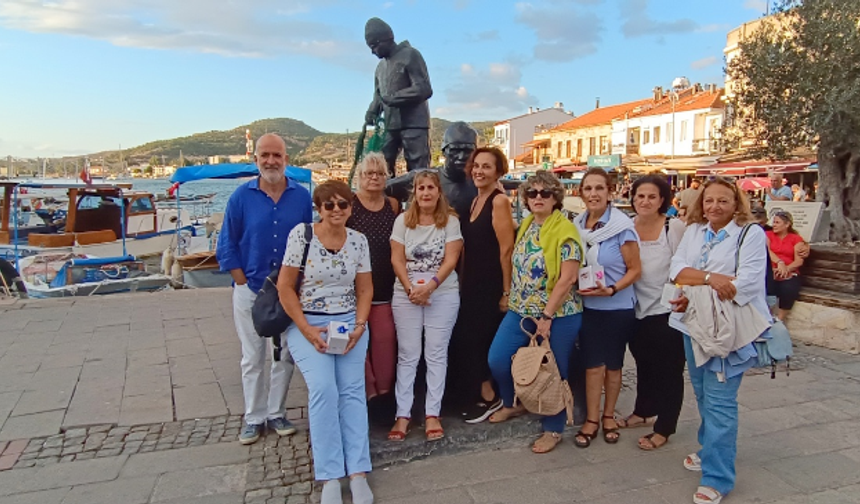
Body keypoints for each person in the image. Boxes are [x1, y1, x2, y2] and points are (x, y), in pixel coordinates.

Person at [669, 177, 771, 504]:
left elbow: (749, 283)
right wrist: (711, 279)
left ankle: (718, 477)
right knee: (701, 392)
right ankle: (708, 446)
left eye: (723, 201)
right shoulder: (695, 230)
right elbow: (677, 271)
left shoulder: (750, 234)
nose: (715, 206)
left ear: (736, 203)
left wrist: (696, 284)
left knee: (720, 401)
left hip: (729, 330)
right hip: (694, 325)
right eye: (709, 200)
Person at [279, 181, 374, 504]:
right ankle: (330, 474)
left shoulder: (358, 241)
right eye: (329, 205)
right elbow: (285, 288)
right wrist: (306, 329)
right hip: (308, 321)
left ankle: (358, 472)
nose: (336, 210)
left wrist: (360, 326)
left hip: (348, 322)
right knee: (323, 389)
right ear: (319, 208)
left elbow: (364, 289)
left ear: (350, 207)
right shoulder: (301, 236)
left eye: (343, 205)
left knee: (351, 391)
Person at [217, 133, 312, 445]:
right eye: (265, 155)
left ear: (286, 158)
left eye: (277, 155)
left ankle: (276, 412)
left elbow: (310, 240)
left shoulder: (300, 197)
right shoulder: (241, 197)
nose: (271, 161)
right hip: (252, 287)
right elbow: (227, 243)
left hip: (288, 290)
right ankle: (253, 417)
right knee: (252, 355)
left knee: (285, 354)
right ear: (256, 159)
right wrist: (241, 280)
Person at [487, 170, 584, 454]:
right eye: (532, 193)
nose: (538, 197)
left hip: (557, 314)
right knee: (498, 359)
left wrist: (547, 316)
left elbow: (567, 278)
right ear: (525, 199)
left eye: (546, 193)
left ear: (556, 197)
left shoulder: (565, 230)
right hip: (520, 310)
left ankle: (553, 428)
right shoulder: (528, 224)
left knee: (553, 370)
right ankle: (513, 403)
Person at [388, 170, 463, 442]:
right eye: (421, 188)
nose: (426, 193)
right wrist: (411, 289)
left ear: (439, 192)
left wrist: (429, 287)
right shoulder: (402, 222)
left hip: (441, 294)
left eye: (431, 187)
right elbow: (397, 259)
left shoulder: (450, 222)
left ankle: (433, 412)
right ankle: (403, 414)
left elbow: (451, 260)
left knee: (436, 353)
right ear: (415, 193)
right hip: (406, 293)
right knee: (408, 354)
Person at [572, 168, 641, 448]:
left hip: (617, 306)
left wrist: (611, 289)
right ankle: (591, 418)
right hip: (587, 305)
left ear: (610, 192)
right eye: (588, 189)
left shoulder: (623, 228)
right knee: (591, 364)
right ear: (581, 194)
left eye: (599, 188)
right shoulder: (576, 225)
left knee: (613, 364)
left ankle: (609, 416)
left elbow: (635, 270)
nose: (593, 194)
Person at [617, 175, 686, 451]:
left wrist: (681, 297)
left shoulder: (674, 227)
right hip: (635, 307)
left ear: (662, 201)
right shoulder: (626, 227)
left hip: (667, 308)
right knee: (643, 363)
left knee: (669, 371)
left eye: (652, 197)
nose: (645, 201)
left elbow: (686, 266)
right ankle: (643, 412)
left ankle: (664, 427)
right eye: (640, 196)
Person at [447, 147, 515, 423]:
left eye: (487, 167)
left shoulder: (499, 202)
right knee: (468, 340)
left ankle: (491, 397)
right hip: (471, 284)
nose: (479, 171)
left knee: (478, 341)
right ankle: (481, 393)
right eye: (476, 165)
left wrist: (506, 292)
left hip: (490, 285)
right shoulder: (476, 200)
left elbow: (506, 249)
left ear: (498, 171)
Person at [346, 152, 400, 400]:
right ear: (360, 177)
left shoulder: (393, 205)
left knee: (384, 341)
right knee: (356, 343)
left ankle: (385, 394)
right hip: (353, 288)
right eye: (369, 173)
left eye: (380, 173)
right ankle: (367, 393)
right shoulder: (349, 204)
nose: (374, 178)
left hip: (386, 287)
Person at [364, 17, 433, 177]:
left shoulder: (410, 55)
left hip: (414, 124)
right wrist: (372, 111)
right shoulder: (380, 68)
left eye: (374, 46)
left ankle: (417, 201)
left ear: (385, 40)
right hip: (390, 125)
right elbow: (379, 96)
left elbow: (424, 88)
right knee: (383, 166)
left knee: (418, 169)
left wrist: (395, 98)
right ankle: (388, 201)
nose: (372, 51)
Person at [387, 121, 478, 220]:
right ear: (444, 151)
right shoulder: (420, 178)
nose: (461, 157)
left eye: (467, 151)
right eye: (455, 150)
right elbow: (379, 190)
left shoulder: (482, 184)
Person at [766, 210, 805, 321]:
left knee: (789, 288)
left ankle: (780, 318)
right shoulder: (767, 235)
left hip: (789, 270)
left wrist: (785, 269)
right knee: (767, 284)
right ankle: (766, 315)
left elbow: (799, 261)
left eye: (777, 222)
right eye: (773, 222)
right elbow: (768, 251)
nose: (773, 225)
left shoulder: (796, 239)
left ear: (787, 224)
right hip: (771, 269)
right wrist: (779, 264)